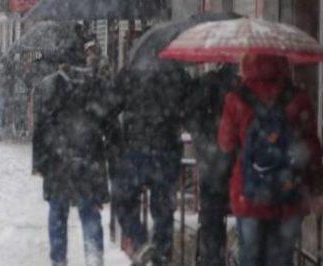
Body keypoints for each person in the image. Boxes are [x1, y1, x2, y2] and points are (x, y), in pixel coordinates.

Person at [218, 54, 323, 266]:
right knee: (281, 258)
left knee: (250, 256)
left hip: (248, 194)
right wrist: (315, 190)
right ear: (283, 63)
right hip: (288, 195)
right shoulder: (297, 98)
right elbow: (311, 149)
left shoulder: (237, 98)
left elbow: (225, 143)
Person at [108, 61, 191, 265]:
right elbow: (188, 109)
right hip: (167, 149)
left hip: (135, 148)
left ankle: (140, 242)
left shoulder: (130, 73)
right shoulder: (177, 73)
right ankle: (161, 253)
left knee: (124, 201)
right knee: (163, 207)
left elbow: (110, 106)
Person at [32, 63, 110, 266]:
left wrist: (39, 163)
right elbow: (108, 123)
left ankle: (59, 259)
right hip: (88, 159)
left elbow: (40, 128)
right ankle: (93, 256)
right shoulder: (94, 85)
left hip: (58, 161)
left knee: (58, 213)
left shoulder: (48, 87)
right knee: (89, 211)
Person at [185, 64, 239, 266]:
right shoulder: (237, 88)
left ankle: (210, 258)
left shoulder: (203, 85)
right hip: (232, 160)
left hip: (210, 161)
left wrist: (202, 143)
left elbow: (191, 117)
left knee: (210, 216)